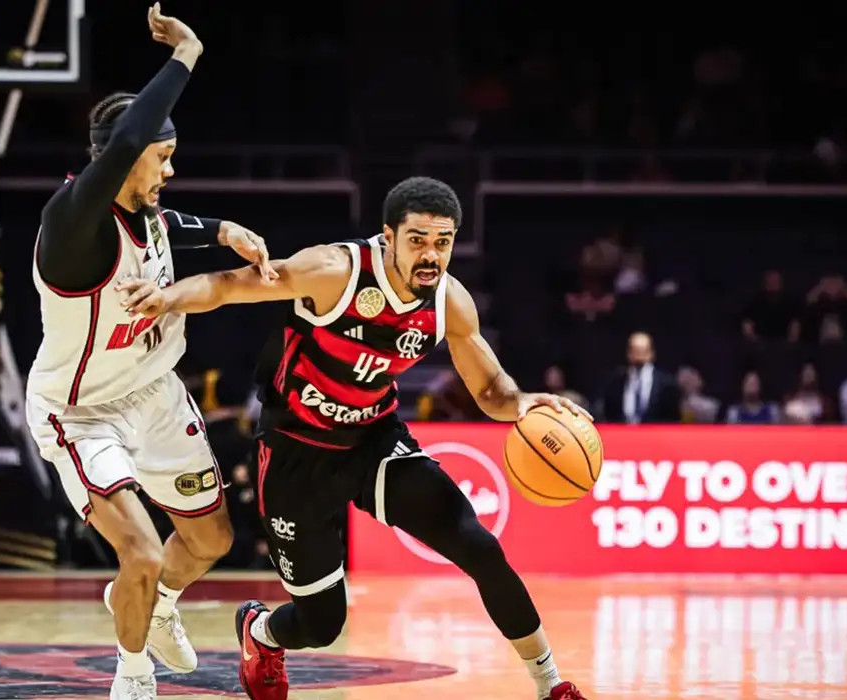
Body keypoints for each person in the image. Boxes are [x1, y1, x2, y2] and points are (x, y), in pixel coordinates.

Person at [118, 176, 589, 700]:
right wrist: (167, 298)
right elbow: (230, 285)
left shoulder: (450, 302)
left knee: (479, 547)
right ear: (388, 236)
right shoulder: (334, 270)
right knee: (322, 624)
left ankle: (550, 684)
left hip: (373, 441)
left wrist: (522, 403)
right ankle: (260, 632)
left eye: (443, 242)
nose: (431, 255)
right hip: (297, 450)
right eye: (417, 240)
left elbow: (491, 389)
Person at [24, 7, 276, 699]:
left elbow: (171, 228)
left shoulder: (146, 213)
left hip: (155, 395)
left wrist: (226, 230)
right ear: (122, 155)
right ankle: (134, 675)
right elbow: (133, 135)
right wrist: (189, 50)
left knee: (212, 541)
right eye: (160, 156)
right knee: (137, 549)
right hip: (81, 413)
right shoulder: (71, 223)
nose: (171, 166)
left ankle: (154, 602)